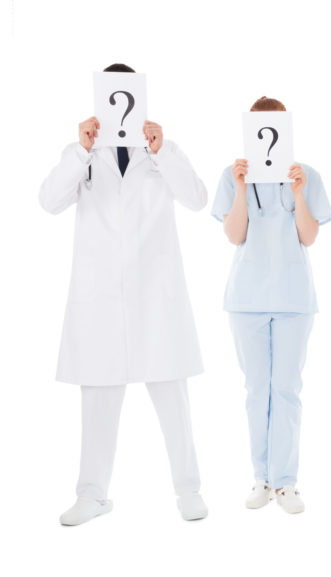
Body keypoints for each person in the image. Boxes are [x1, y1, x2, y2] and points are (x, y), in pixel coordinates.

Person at [40, 63, 208, 525]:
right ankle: (92, 495)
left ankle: (188, 489)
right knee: (97, 395)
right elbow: (49, 200)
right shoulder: (83, 153)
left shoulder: (160, 150)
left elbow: (197, 198)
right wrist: (80, 150)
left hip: (156, 292)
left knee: (172, 392)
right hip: (100, 298)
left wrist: (164, 152)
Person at [212, 96, 331, 515]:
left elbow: (309, 236)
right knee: (255, 391)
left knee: (287, 390)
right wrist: (242, 188)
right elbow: (233, 234)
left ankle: (286, 482)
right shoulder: (233, 177)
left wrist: (299, 194)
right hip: (247, 299)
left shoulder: (307, 175)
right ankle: (261, 477)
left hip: (293, 299)